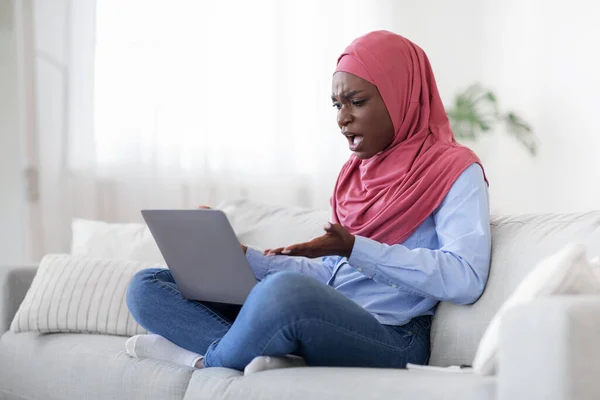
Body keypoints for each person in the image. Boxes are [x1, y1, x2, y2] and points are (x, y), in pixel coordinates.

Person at [125, 30, 491, 374]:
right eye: (336, 104)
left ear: (401, 96)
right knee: (147, 286)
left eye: (357, 102)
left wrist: (356, 249)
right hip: (317, 313)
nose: (342, 119)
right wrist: (245, 257)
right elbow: (329, 277)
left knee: (284, 296)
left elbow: (466, 278)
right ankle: (262, 349)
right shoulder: (354, 177)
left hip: (392, 335)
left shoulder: (455, 170)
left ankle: (204, 361)